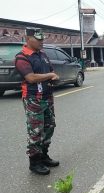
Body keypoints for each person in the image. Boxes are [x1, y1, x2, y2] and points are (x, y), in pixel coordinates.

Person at [14, 27, 60, 175]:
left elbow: (51, 72)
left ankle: (44, 155)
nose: (42, 41)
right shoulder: (22, 57)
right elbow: (31, 78)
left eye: (42, 39)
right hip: (33, 99)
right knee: (36, 131)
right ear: (28, 39)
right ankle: (34, 162)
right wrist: (50, 75)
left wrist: (54, 77)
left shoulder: (43, 55)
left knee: (49, 126)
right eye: (38, 39)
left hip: (47, 97)